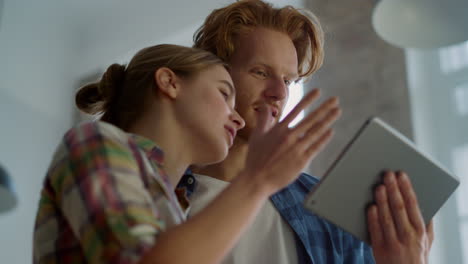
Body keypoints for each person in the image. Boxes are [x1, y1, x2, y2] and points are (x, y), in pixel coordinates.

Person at [33, 44, 341, 264]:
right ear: (169, 82)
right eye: (224, 93)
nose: (237, 118)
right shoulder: (96, 143)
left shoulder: (178, 209)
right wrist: (258, 180)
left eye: (289, 81)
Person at [177, 1, 434, 263]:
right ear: (217, 75)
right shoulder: (158, 191)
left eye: (288, 80)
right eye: (260, 72)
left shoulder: (326, 210)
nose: (278, 92)